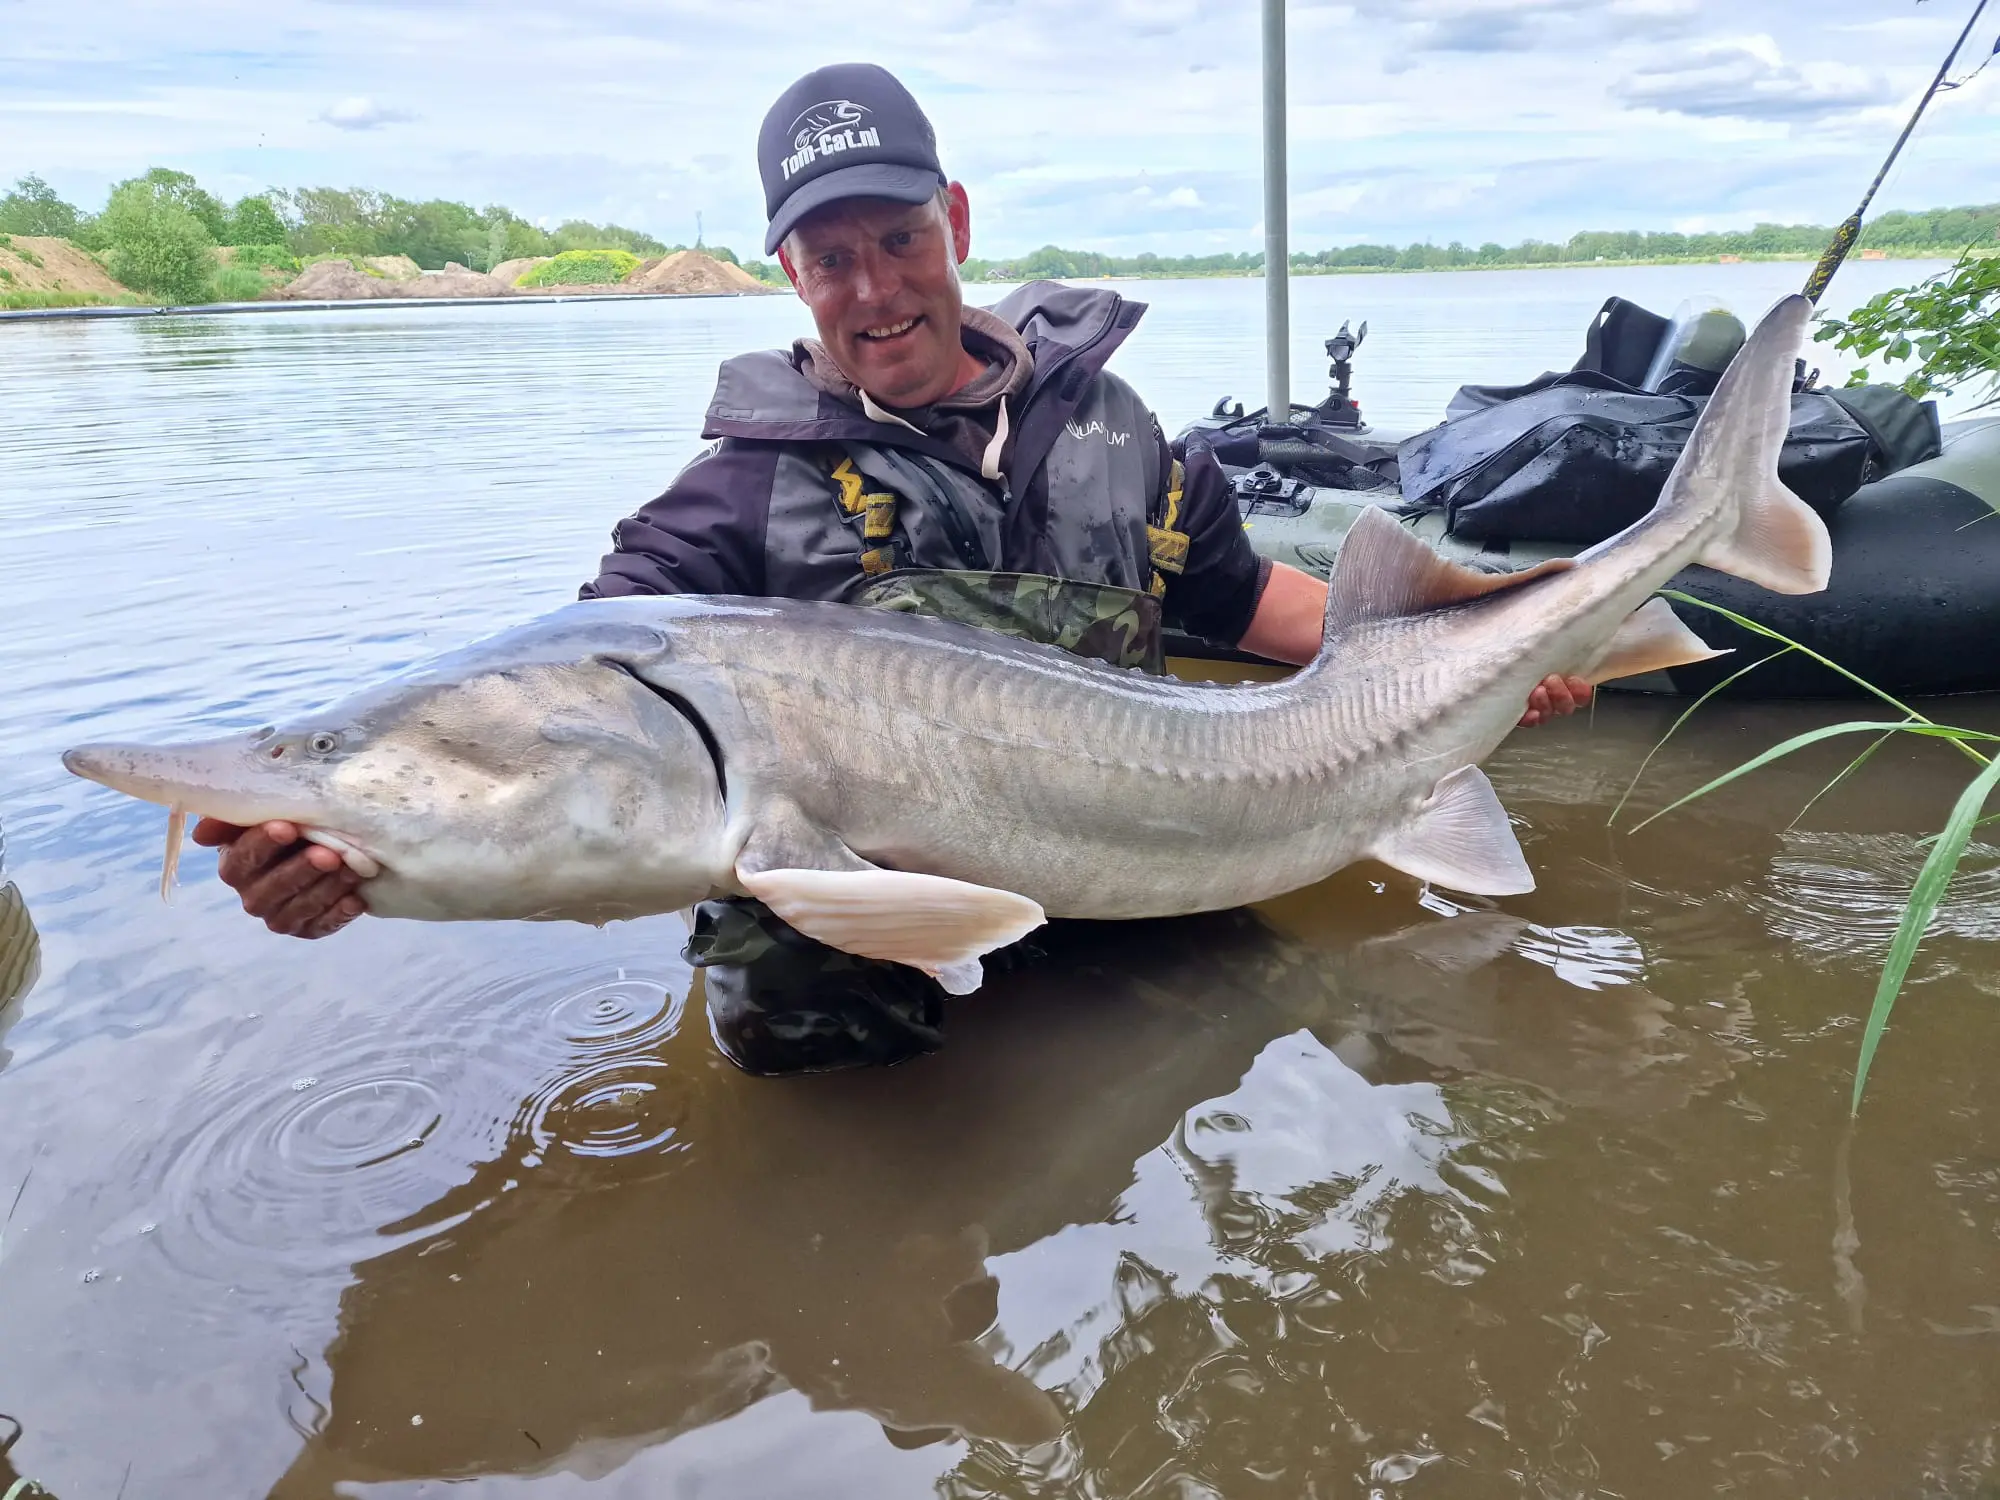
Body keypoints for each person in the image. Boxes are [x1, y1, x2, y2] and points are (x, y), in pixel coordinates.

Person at [194, 62, 1591, 1073]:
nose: (875, 290)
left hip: (1145, 849)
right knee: (788, 1011)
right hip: (875, 918)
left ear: (957, 224)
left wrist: (1488, 649)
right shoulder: (738, 494)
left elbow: (1247, 607)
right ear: (790, 273)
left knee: (1280, 1039)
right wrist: (365, 852)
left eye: (900, 241)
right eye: (830, 257)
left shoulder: (1115, 431)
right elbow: (589, 669)